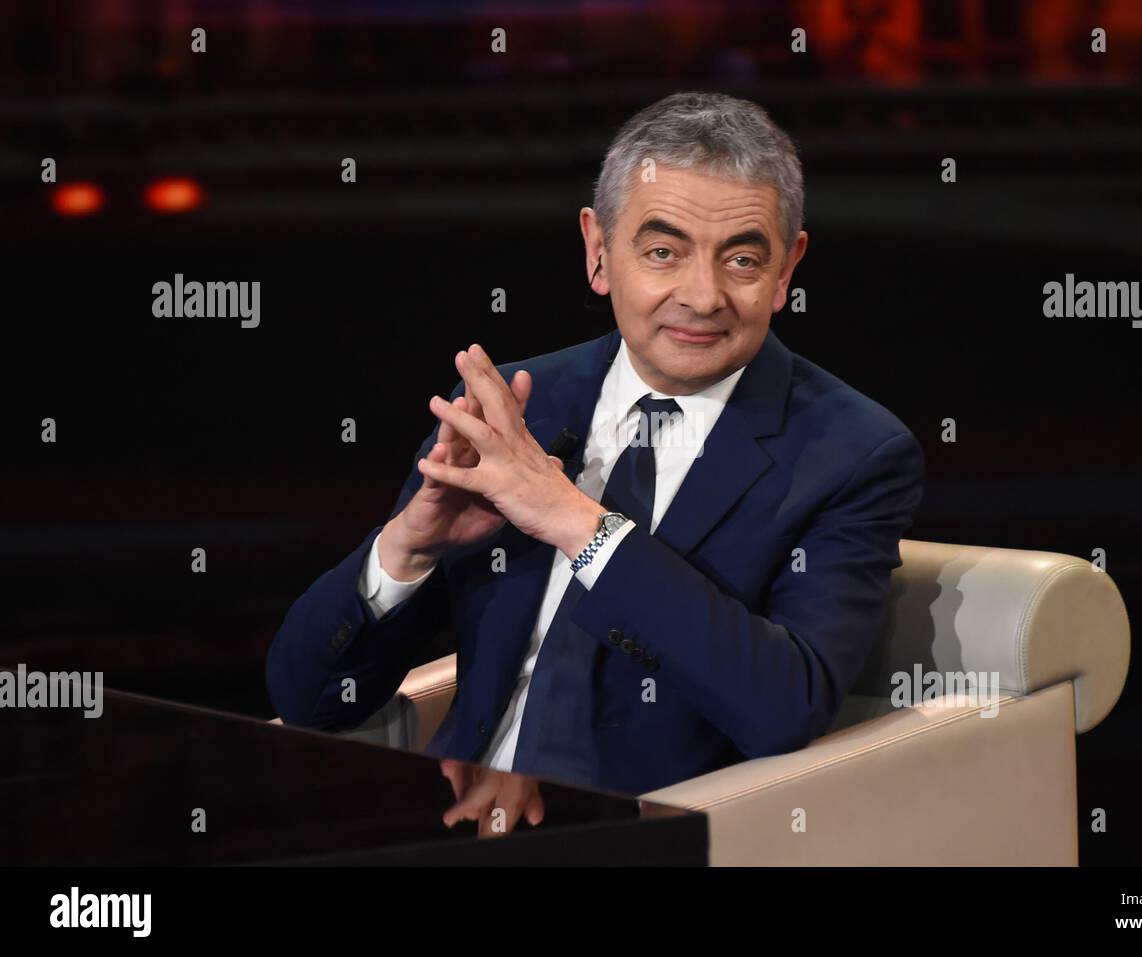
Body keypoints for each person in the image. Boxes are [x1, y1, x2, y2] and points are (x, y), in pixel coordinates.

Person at [266, 91, 925, 836]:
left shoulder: (853, 453)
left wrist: (580, 524)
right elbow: (310, 699)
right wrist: (405, 549)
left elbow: (782, 707)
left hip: (642, 837)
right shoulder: (519, 405)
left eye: (742, 259)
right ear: (598, 251)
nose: (703, 296)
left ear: (787, 268)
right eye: (663, 252)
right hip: (443, 823)